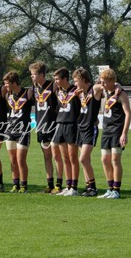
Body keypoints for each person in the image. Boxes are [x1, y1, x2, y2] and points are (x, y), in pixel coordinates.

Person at [29, 62, 63, 194]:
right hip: (41, 126)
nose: (32, 77)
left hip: (53, 125)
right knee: (46, 156)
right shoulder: (34, 87)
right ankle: (49, 184)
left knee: (56, 156)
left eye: (34, 74)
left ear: (41, 74)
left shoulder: (53, 86)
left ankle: (59, 184)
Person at [98, 69, 130, 199]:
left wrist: (124, 133)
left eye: (105, 82)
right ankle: (110, 188)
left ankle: (116, 190)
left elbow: (128, 113)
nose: (103, 84)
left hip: (117, 130)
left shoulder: (121, 94)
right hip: (106, 130)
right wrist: (106, 85)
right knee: (104, 160)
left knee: (115, 159)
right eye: (102, 82)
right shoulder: (104, 91)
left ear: (112, 81)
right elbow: (95, 86)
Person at [73, 68, 103, 197]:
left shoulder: (94, 89)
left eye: (76, 81)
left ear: (82, 79)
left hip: (90, 128)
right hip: (81, 127)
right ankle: (88, 187)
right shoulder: (81, 92)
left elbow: (105, 85)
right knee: (85, 160)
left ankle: (93, 187)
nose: (74, 84)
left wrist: (117, 85)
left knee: (83, 158)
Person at [52, 68, 81, 196]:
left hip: (72, 125)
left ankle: (74, 187)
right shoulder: (58, 91)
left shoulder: (76, 90)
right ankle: (68, 186)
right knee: (65, 158)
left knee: (73, 157)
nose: (56, 81)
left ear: (65, 79)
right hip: (60, 124)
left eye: (58, 79)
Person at [4, 71, 33, 193]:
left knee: (21, 159)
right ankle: (15, 184)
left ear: (14, 83)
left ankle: (23, 185)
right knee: (12, 159)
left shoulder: (28, 93)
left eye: (7, 83)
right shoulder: (8, 95)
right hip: (10, 130)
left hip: (23, 130)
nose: (5, 86)